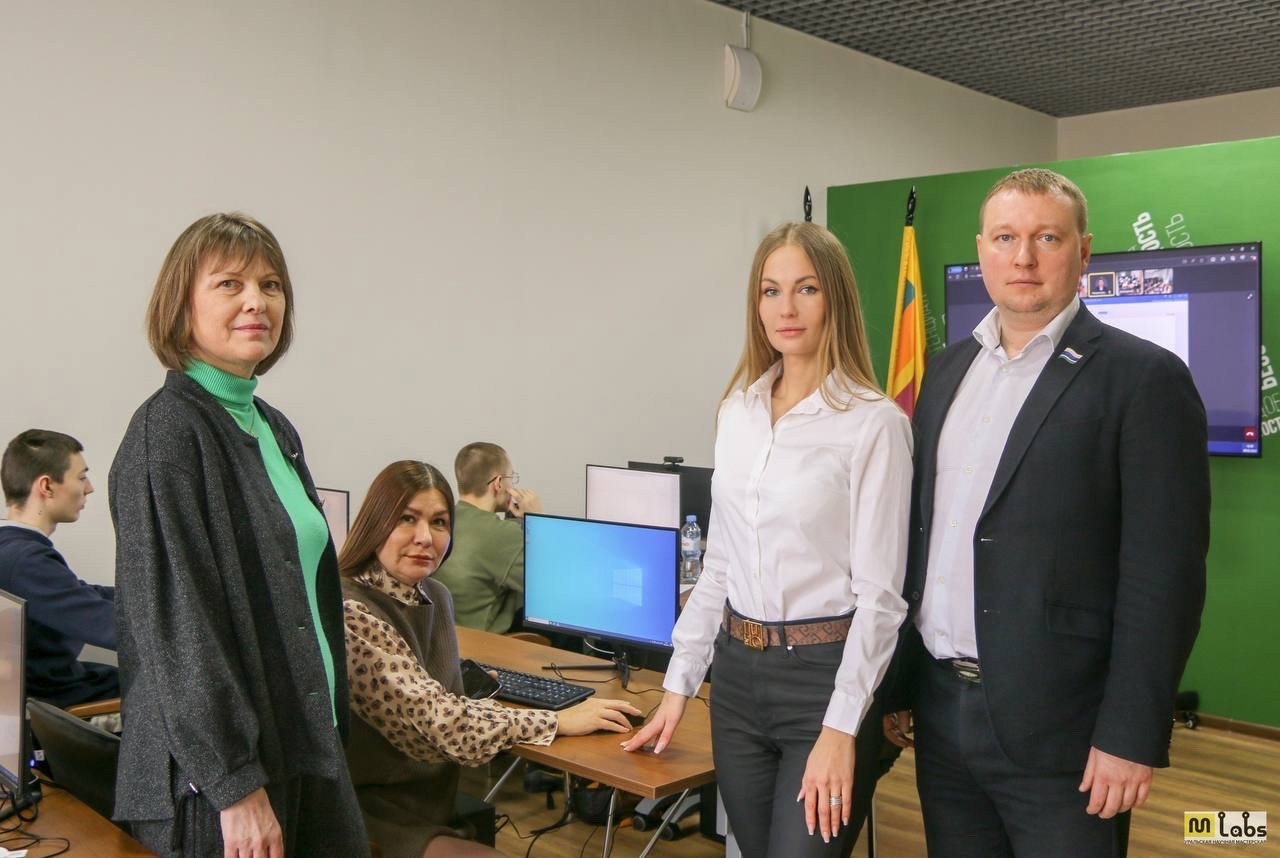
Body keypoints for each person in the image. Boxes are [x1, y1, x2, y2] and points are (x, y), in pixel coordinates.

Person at [881, 168, 1210, 857]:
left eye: (1047, 238)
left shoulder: (1143, 379)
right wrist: (903, 683)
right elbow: (924, 541)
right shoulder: (945, 373)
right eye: (1005, 238)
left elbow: (1164, 577)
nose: (1023, 257)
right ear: (982, 250)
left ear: (1083, 252)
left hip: (1067, 731)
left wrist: (1129, 735)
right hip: (940, 713)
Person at [625, 222, 913, 856]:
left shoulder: (873, 424)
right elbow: (720, 566)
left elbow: (881, 599)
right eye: (770, 290)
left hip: (824, 679)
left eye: (806, 289)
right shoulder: (738, 412)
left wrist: (842, 727)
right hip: (737, 679)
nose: (786, 308)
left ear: (835, 299)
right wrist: (678, 683)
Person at [110, 213, 369, 856]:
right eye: (230, 283)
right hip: (217, 785)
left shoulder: (273, 427)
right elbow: (180, 628)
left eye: (271, 285)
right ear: (181, 306)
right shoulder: (168, 433)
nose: (257, 301)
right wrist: (234, 784)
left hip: (302, 744)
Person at [338, 459, 641, 858]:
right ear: (375, 523)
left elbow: (419, 694)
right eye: (407, 519)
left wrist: (469, 691)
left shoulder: (433, 595)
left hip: (434, 804)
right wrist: (556, 720)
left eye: (439, 522)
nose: (425, 537)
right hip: (373, 814)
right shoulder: (351, 610)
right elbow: (441, 725)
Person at [0, 429, 117, 707]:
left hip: (54, 682)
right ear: (47, 486)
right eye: (81, 477)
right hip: (50, 698)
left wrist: (153, 596)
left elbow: (79, 594)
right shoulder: (26, 560)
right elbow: (110, 626)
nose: (89, 488)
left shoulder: (12, 547)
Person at [432, 442, 541, 633]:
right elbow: (550, 586)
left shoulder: (442, 520)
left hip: (441, 636)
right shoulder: (502, 534)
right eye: (511, 478)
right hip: (481, 644)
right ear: (498, 483)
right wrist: (537, 520)